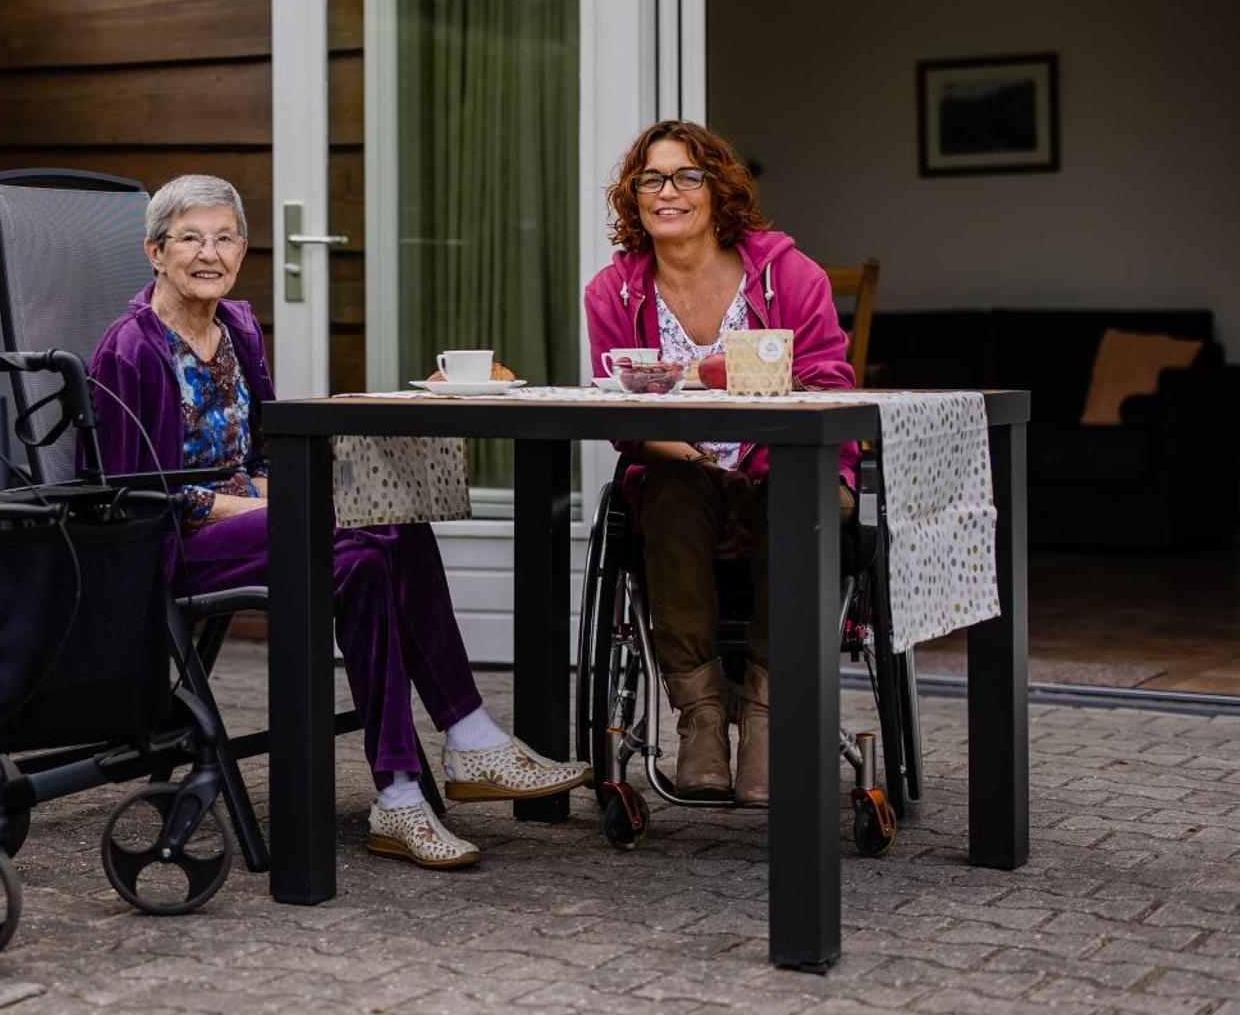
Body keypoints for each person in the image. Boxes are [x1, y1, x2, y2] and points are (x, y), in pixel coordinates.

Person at [87, 174, 588, 869]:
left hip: (254, 520)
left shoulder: (237, 328)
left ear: (243, 250)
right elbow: (132, 496)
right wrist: (280, 506)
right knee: (365, 524)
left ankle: (405, 791)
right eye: (190, 238)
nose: (209, 253)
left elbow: (261, 454)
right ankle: (466, 740)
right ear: (155, 252)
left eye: (225, 238)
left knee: (373, 545)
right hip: (175, 545)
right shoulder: (130, 349)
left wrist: (292, 497)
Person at [583, 121, 857, 805]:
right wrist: (707, 467)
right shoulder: (612, 292)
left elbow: (831, 388)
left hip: (789, 467)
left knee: (794, 498)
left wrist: (755, 467)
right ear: (633, 194)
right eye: (651, 178)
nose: (667, 191)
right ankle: (701, 719)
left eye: (687, 176)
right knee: (671, 492)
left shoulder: (790, 275)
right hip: (682, 470)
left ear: (719, 190)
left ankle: (766, 717)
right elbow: (621, 418)